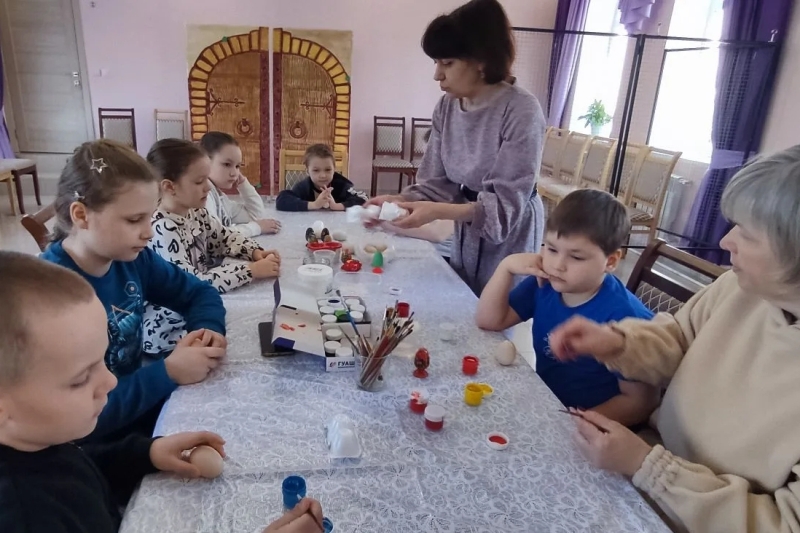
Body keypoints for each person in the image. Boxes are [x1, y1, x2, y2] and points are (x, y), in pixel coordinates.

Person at [547, 146, 800, 532]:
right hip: (646, 460)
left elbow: (781, 524)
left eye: (747, 234)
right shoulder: (739, 286)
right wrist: (618, 342)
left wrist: (650, 467)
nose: (727, 241)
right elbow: (680, 338)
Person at [0, 252, 323, 533]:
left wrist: (146, 453)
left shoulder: (36, 440)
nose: (111, 382)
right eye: (81, 378)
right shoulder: (27, 515)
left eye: (102, 361)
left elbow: (77, 467)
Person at [41, 140, 227, 441]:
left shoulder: (133, 259)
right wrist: (166, 373)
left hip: (139, 410)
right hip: (93, 445)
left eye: (149, 216)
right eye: (133, 220)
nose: (149, 231)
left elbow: (200, 293)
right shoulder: (50, 295)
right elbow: (72, 416)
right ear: (81, 215)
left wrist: (206, 331)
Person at [367, 0, 546, 294]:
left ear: (481, 60)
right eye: (436, 63)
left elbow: (504, 209)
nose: (437, 74)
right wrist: (396, 202)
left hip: (510, 232)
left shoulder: (521, 110)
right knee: (463, 297)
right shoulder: (448, 107)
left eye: (447, 63)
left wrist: (438, 210)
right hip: (468, 227)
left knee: (496, 315)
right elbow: (434, 184)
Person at [476, 190, 658, 426]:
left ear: (611, 261)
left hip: (591, 426)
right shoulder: (546, 284)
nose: (558, 265)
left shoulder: (626, 319)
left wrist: (571, 424)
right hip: (547, 404)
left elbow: (640, 402)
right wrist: (506, 267)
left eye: (576, 257)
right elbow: (489, 320)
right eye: (551, 249)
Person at [145, 138, 281, 355]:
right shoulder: (163, 227)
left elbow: (223, 238)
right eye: (199, 181)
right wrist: (250, 270)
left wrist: (254, 251)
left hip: (198, 302)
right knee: (239, 338)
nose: (208, 187)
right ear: (170, 187)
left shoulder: (194, 210)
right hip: (168, 322)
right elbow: (192, 284)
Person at [200, 131, 282, 237]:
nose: (234, 173)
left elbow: (255, 215)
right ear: (205, 162)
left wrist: (243, 183)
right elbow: (216, 237)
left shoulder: (219, 197)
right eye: (227, 164)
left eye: (237, 166)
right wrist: (257, 227)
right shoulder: (204, 195)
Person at [276, 143, 368, 211]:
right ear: (307, 171)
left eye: (328, 170)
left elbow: (364, 199)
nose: (323, 175)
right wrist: (314, 205)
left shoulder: (342, 186)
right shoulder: (303, 187)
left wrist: (337, 206)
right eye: (316, 170)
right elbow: (281, 200)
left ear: (334, 169)